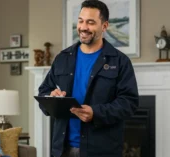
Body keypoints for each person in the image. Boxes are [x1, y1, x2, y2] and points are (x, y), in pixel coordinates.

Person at [38, 0, 139, 157]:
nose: (83, 27)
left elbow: (129, 103)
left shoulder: (120, 61)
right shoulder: (62, 58)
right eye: (81, 21)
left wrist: (96, 113)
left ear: (104, 26)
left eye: (90, 22)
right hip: (62, 149)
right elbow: (44, 91)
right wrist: (51, 97)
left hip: (101, 151)